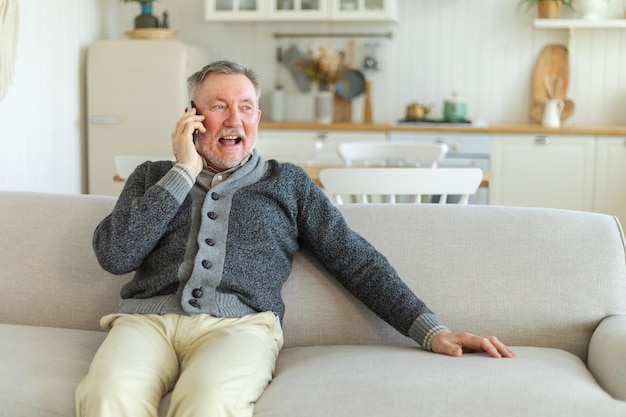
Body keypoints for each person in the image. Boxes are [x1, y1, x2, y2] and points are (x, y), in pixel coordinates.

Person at [76, 60, 514, 417]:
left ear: (258, 118)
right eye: (219, 107)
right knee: (106, 397)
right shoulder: (152, 176)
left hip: (240, 328)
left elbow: (355, 259)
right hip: (145, 324)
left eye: (246, 107)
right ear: (191, 117)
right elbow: (115, 255)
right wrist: (183, 171)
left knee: (209, 404)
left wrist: (430, 330)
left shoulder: (287, 183)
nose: (235, 120)